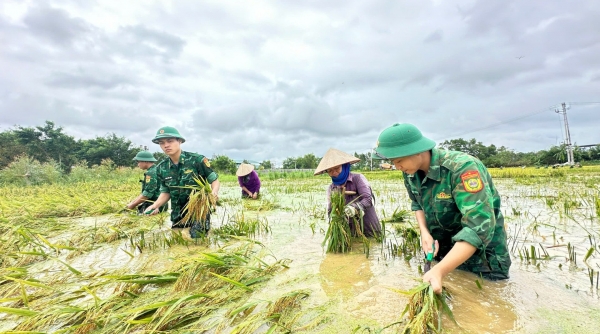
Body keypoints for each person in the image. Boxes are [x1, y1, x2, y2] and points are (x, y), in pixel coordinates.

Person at [374, 123, 511, 293]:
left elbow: (478, 228)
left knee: (488, 304)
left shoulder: (462, 168)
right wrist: (425, 232)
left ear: (416, 150)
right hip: (446, 252)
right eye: (393, 162)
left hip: (483, 260)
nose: (397, 167)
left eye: (399, 160)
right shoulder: (410, 172)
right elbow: (417, 203)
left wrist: (439, 270)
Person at [144, 126, 220, 238]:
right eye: (161, 143)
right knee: (177, 238)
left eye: (170, 141)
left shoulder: (197, 160)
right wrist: (155, 205)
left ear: (179, 141)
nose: (166, 145)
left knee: (197, 240)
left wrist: (214, 193)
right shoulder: (161, 167)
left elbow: (214, 180)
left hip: (198, 212)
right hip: (177, 213)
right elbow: (166, 192)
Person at [314, 148, 381, 237]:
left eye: (337, 168)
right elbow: (330, 210)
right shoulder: (332, 188)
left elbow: (367, 199)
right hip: (349, 235)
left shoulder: (358, 179)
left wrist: (354, 208)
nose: (334, 173)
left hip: (369, 230)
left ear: (345, 166)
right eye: (330, 170)